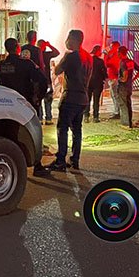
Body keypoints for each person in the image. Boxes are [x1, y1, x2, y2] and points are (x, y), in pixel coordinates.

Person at [0, 38, 51, 176]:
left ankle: (11, 165)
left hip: (6, 104)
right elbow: (42, 80)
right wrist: (38, 98)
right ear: (17, 48)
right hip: (25, 103)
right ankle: (37, 166)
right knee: (34, 133)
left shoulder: (0, 65)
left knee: (8, 134)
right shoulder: (26, 64)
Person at [47, 29, 92, 172]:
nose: (66, 41)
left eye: (68, 38)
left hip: (70, 96)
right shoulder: (88, 57)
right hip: (83, 98)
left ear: (73, 40)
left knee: (62, 129)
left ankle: (60, 160)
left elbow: (57, 71)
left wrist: (63, 57)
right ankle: (75, 160)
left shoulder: (71, 56)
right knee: (77, 130)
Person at [117, 46, 139, 128]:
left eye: (118, 53)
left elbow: (124, 77)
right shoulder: (131, 62)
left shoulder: (123, 63)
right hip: (129, 87)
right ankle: (129, 122)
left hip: (123, 87)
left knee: (123, 105)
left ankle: (125, 124)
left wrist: (119, 79)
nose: (117, 55)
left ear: (120, 53)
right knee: (128, 104)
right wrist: (133, 79)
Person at [38, 38, 61, 125]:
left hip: (38, 81)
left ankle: (40, 118)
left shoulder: (36, 54)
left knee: (39, 100)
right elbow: (57, 52)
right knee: (48, 100)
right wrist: (49, 45)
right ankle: (48, 118)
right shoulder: (46, 55)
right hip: (46, 80)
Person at [85, 45, 107, 123]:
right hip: (98, 83)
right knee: (96, 100)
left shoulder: (88, 60)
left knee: (88, 100)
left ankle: (86, 116)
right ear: (97, 51)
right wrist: (105, 78)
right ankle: (95, 117)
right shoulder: (100, 61)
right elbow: (104, 72)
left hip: (88, 83)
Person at [103, 39, 121, 120]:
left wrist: (106, 55)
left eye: (111, 46)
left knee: (115, 95)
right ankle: (116, 111)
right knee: (114, 95)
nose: (110, 48)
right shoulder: (113, 54)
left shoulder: (116, 56)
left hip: (114, 78)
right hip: (112, 77)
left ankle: (117, 112)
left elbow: (106, 64)